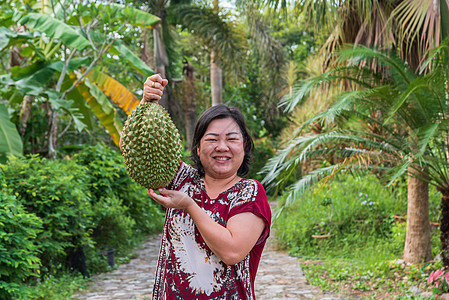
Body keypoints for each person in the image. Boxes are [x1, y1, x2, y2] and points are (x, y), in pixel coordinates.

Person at [124, 74, 271, 299]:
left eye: (232, 139)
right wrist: (147, 103)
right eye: (212, 139)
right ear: (198, 149)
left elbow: (232, 251)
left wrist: (189, 206)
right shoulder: (183, 180)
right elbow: (138, 148)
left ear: (244, 147)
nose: (222, 147)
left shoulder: (249, 192)